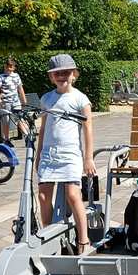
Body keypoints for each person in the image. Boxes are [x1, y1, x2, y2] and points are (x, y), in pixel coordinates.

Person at [35, 54, 96, 254]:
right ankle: (49, 237)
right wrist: (38, 154)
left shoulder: (80, 99)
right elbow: (43, 129)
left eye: (66, 72)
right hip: (49, 155)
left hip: (70, 155)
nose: (62, 76)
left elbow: (88, 129)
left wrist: (88, 158)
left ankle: (83, 240)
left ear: (74, 75)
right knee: (43, 195)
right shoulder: (47, 99)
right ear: (51, 77)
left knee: (73, 194)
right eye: (57, 73)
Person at [0, 59, 28, 146]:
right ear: (5, 66)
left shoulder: (16, 76)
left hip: (16, 101)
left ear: (14, 68)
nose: (9, 68)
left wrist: (24, 100)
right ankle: (6, 139)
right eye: (8, 66)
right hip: (5, 102)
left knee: (19, 118)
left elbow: (20, 88)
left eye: (11, 66)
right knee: (6, 120)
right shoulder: (1, 77)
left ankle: (26, 135)